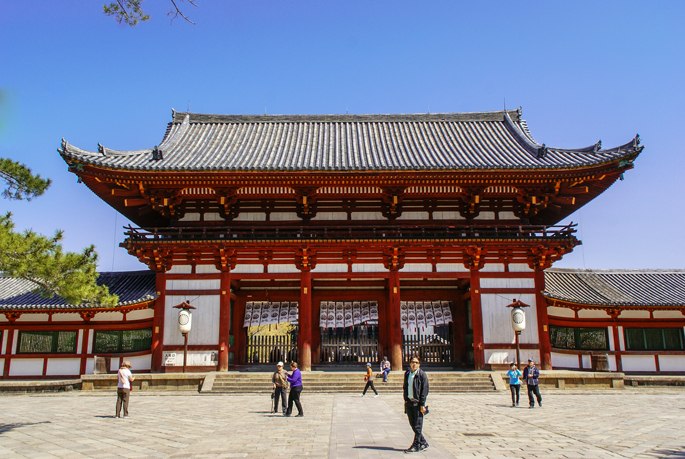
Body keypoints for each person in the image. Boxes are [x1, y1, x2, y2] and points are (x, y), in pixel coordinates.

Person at [403, 356, 429, 453]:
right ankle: (424, 443)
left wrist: (422, 404)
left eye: (416, 362)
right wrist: (405, 400)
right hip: (409, 402)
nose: (414, 364)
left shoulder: (422, 375)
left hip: (417, 403)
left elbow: (424, 390)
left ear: (419, 364)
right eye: (413, 362)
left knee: (418, 425)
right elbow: (405, 387)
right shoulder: (407, 373)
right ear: (409, 363)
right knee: (413, 424)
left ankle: (416, 445)